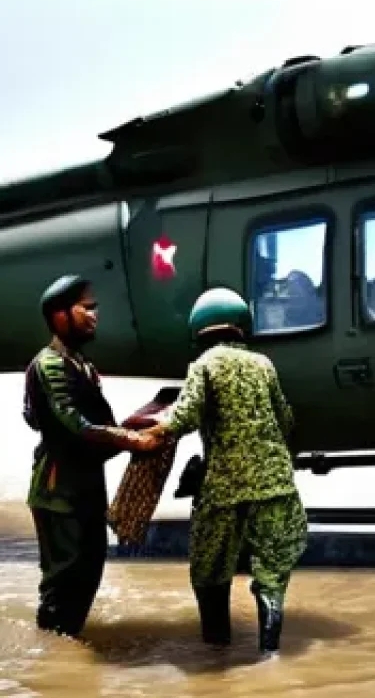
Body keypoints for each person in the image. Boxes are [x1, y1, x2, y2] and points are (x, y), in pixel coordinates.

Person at [145, 287, 307, 655]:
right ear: (240, 328)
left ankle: (216, 651)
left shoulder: (205, 365)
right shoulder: (264, 364)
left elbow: (184, 418)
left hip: (225, 488)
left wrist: (147, 432)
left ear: (200, 332)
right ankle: (270, 652)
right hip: (276, 486)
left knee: (209, 574)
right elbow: (286, 418)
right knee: (270, 577)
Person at [23, 274, 163, 638]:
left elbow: (101, 427)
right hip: (58, 494)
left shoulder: (81, 364)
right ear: (59, 315)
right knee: (63, 579)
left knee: (89, 571)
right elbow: (75, 424)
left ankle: (65, 648)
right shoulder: (50, 365)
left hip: (85, 489)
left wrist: (143, 418)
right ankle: (51, 661)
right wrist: (134, 440)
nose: (94, 315)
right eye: (85, 308)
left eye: (93, 308)